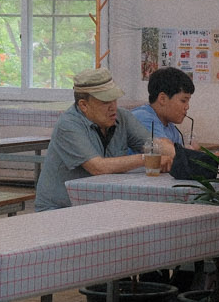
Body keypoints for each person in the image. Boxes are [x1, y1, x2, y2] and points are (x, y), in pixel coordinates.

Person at [34, 68, 173, 211]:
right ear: (84, 105)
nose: (113, 107)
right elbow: (98, 167)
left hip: (98, 204)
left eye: (114, 99)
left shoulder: (122, 117)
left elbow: (155, 145)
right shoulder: (68, 125)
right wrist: (148, 158)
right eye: (105, 102)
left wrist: (178, 155)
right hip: (60, 209)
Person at [130, 67, 194, 147]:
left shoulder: (170, 127)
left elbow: (180, 152)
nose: (187, 107)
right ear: (162, 99)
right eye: (183, 101)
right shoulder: (143, 118)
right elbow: (166, 151)